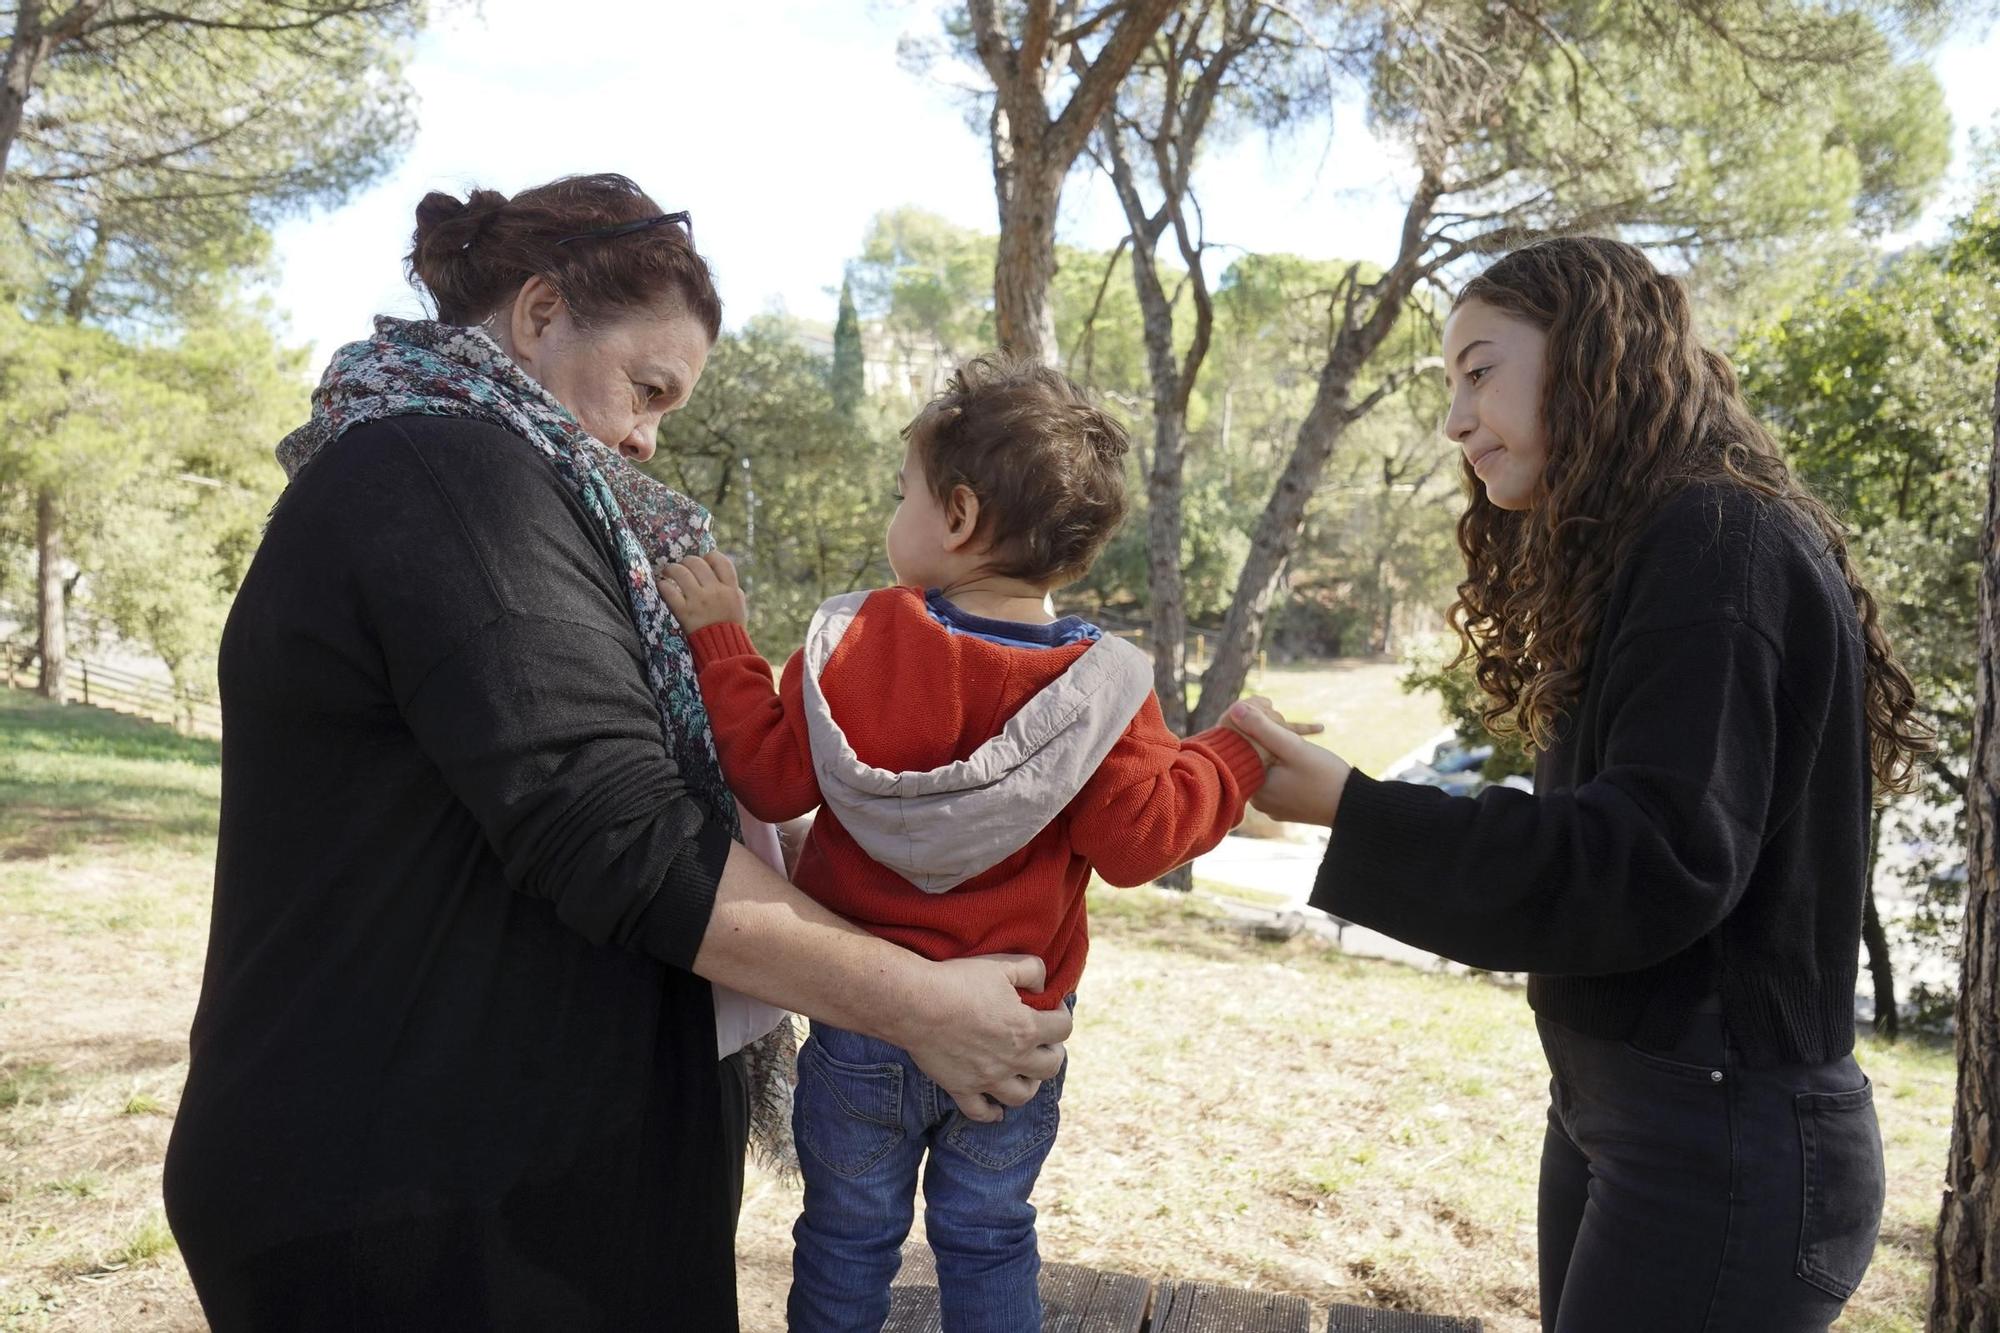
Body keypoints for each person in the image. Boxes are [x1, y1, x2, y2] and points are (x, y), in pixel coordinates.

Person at [161, 174, 1070, 1332]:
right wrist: (918, 1005)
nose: (647, 437)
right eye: (647, 389)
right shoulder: (449, 478)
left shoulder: (486, 479)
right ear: (539, 313)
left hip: (489, 1201)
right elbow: (617, 831)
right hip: (414, 1220)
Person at [1224, 236, 1932, 1333]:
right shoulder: (1669, 541)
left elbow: (1641, 864)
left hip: (1717, 1146)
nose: (1455, 421)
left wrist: (1349, 809)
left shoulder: (1714, 541)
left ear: (1595, 356)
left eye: (1478, 369)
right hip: (1638, 1114)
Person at [657, 354, 1268, 1333]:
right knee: (989, 1233)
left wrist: (722, 641)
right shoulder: (1106, 686)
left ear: (955, 516)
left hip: (861, 1020)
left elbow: (769, 779)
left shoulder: (856, 640)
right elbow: (1138, 839)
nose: (890, 516)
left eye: (902, 493)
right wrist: (1231, 759)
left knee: (846, 1233)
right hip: (1016, 1033)